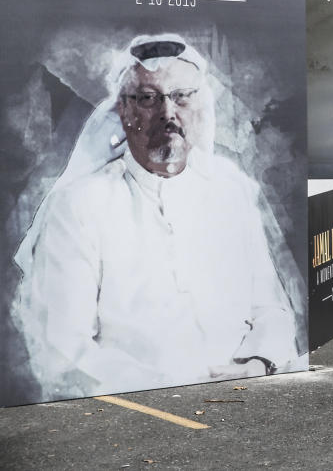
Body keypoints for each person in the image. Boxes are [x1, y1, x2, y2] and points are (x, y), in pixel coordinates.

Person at [12, 34, 301, 401]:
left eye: (182, 96)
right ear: (123, 109)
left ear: (200, 104)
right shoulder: (79, 206)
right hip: (139, 415)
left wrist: (259, 363)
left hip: (248, 395)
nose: (168, 113)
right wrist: (177, 389)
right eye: (149, 98)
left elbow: (271, 307)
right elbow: (63, 354)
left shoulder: (232, 190)